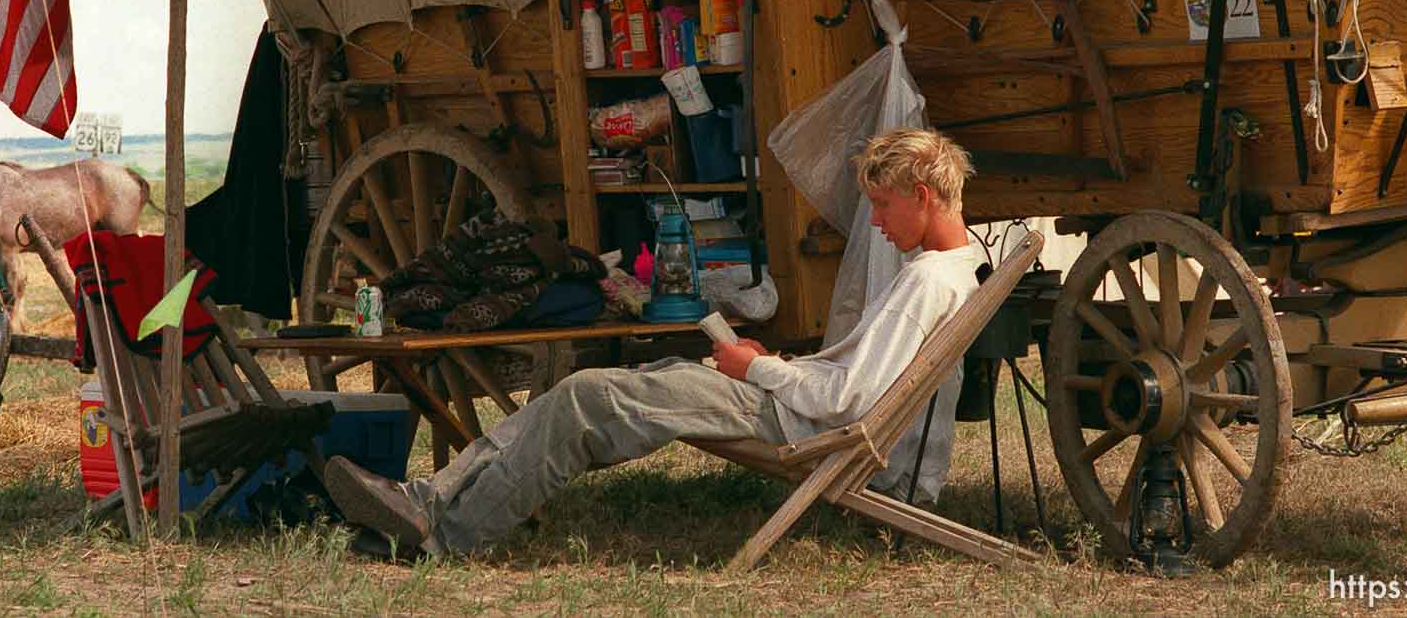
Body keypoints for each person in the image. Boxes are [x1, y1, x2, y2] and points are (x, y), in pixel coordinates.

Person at [322, 126, 987, 557]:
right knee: (586, 396)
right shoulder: (959, 265)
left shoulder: (925, 283)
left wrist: (756, 370)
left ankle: (441, 536)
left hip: (794, 417)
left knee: (584, 398)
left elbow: (847, 399)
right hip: (791, 400)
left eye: (884, 206)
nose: (874, 221)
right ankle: (427, 502)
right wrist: (763, 364)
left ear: (924, 196)